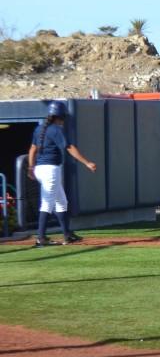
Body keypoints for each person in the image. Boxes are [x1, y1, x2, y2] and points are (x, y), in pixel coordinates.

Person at [26, 101, 97, 247]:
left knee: (61, 202)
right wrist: (86, 162)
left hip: (40, 169)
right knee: (47, 203)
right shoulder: (56, 129)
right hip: (50, 170)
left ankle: (67, 234)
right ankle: (41, 238)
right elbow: (69, 147)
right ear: (61, 116)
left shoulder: (40, 128)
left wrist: (31, 168)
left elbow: (32, 149)